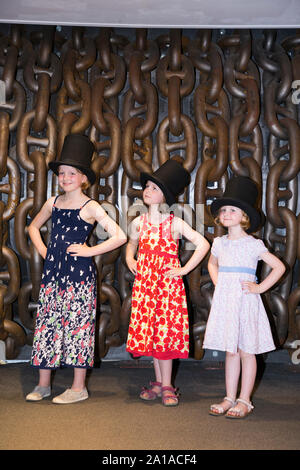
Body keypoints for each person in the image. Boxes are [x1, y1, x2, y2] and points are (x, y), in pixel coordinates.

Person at [26, 134, 126, 404]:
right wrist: (44, 250)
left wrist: (89, 251)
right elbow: (33, 227)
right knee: (48, 325)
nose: (66, 177)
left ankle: (78, 387)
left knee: (78, 328)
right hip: (53, 275)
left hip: (79, 276)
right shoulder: (53, 202)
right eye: (62, 173)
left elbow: (119, 236)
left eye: (72, 173)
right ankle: (44, 384)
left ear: (84, 178)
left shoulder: (89, 206)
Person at [126, 159, 210, 406]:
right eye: (147, 187)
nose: (148, 191)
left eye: (154, 188)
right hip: (146, 286)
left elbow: (203, 244)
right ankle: (161, 382)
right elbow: (130, 246)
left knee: (165, 335)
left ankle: (165, 385)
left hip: (166, 287)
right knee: (153, 334)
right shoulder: (138, 222)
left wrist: (183, 269)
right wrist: (131, 259)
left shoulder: (174, 223)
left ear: (165, 196)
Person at [203, 176, 285, 418]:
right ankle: (229, 397)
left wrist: (260, 288)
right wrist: (219, 283)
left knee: (247, 350)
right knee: (231, 351)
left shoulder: (253, 244)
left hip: (246, 301)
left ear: (244, 216)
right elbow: (211, 264)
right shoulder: (219, 242)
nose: (227, 213)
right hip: (226, 301)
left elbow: (279, 267)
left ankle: (245, 399)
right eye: (224, 210)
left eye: (233, 210)